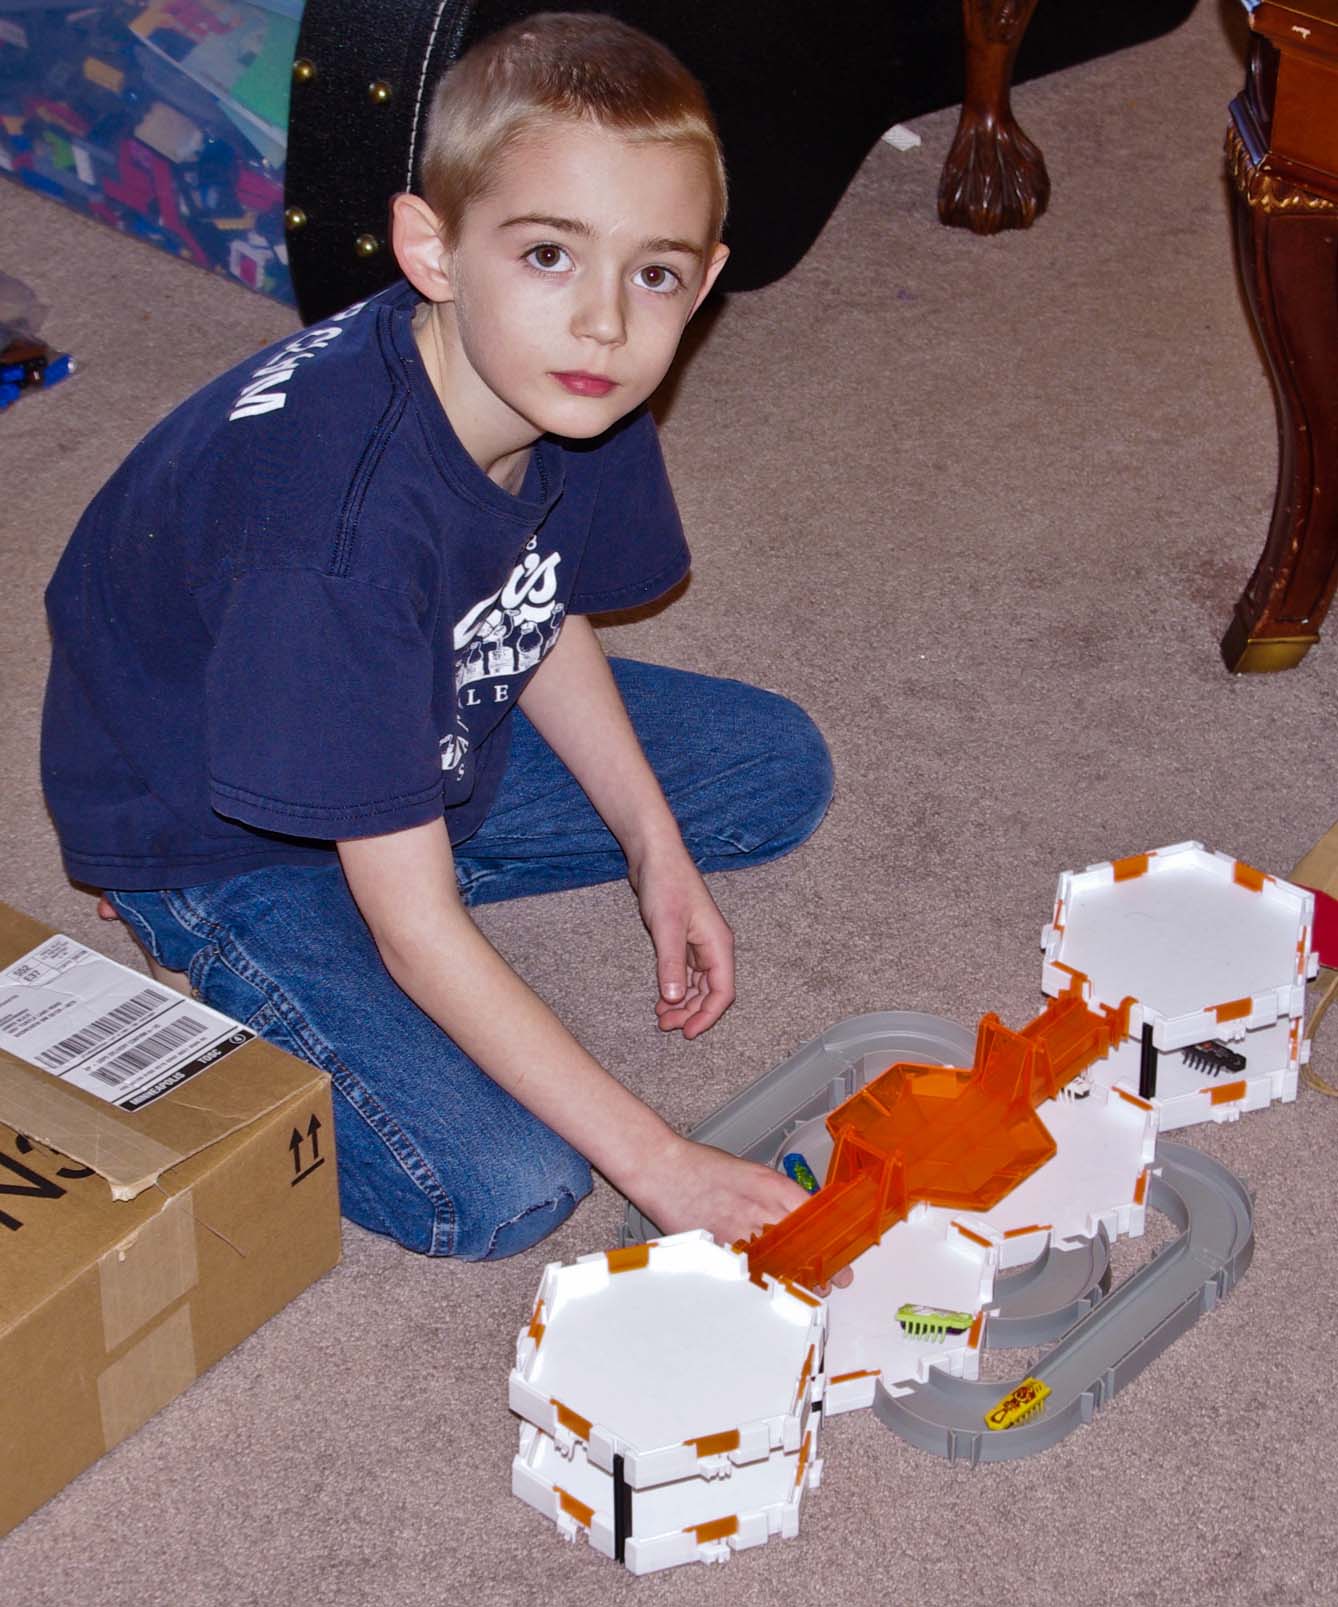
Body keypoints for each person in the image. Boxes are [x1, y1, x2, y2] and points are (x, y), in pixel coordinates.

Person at [41, 13, 834, 1262]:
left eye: (655, 274)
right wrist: (663, 1160)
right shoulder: (336, 544)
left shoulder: (567, 381)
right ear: (432, 248)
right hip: (213, 823)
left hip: (407, 696)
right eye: (549, 255)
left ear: (704, 278)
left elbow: (529, 601)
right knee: (502, 1185)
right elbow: (418, 927)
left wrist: (652, 847)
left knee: (775, 768)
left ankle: (393, 849)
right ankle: (231, 933)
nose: (605, 323)